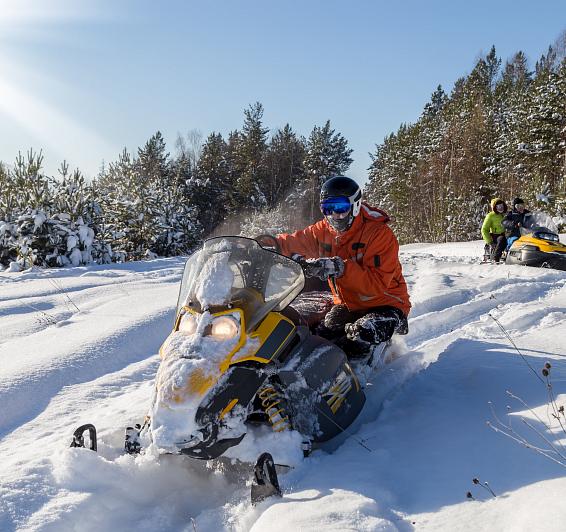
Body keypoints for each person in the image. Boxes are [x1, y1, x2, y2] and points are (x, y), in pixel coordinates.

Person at [274, 176, 411, 358]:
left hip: (386, 304)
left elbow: (376, 285)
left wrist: (340, 268)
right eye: (328, 209)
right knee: (320, 339)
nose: (334, 215)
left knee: (359, 336)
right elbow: (294, 242)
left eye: (340, 208)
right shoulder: (323, 230)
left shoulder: (378, 234)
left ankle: (364, 377)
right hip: (348, 304)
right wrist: (269, 244)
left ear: (354, 206)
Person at [481, 198, 508, 263]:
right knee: (501, 239)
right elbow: (484, 229)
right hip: (496, 235)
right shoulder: (490, 216)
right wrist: (489, 242)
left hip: (507, 234)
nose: (501, 208)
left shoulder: (506, 214)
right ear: (494, 207)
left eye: (502, 206)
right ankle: (496, 258)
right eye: (498, 206)